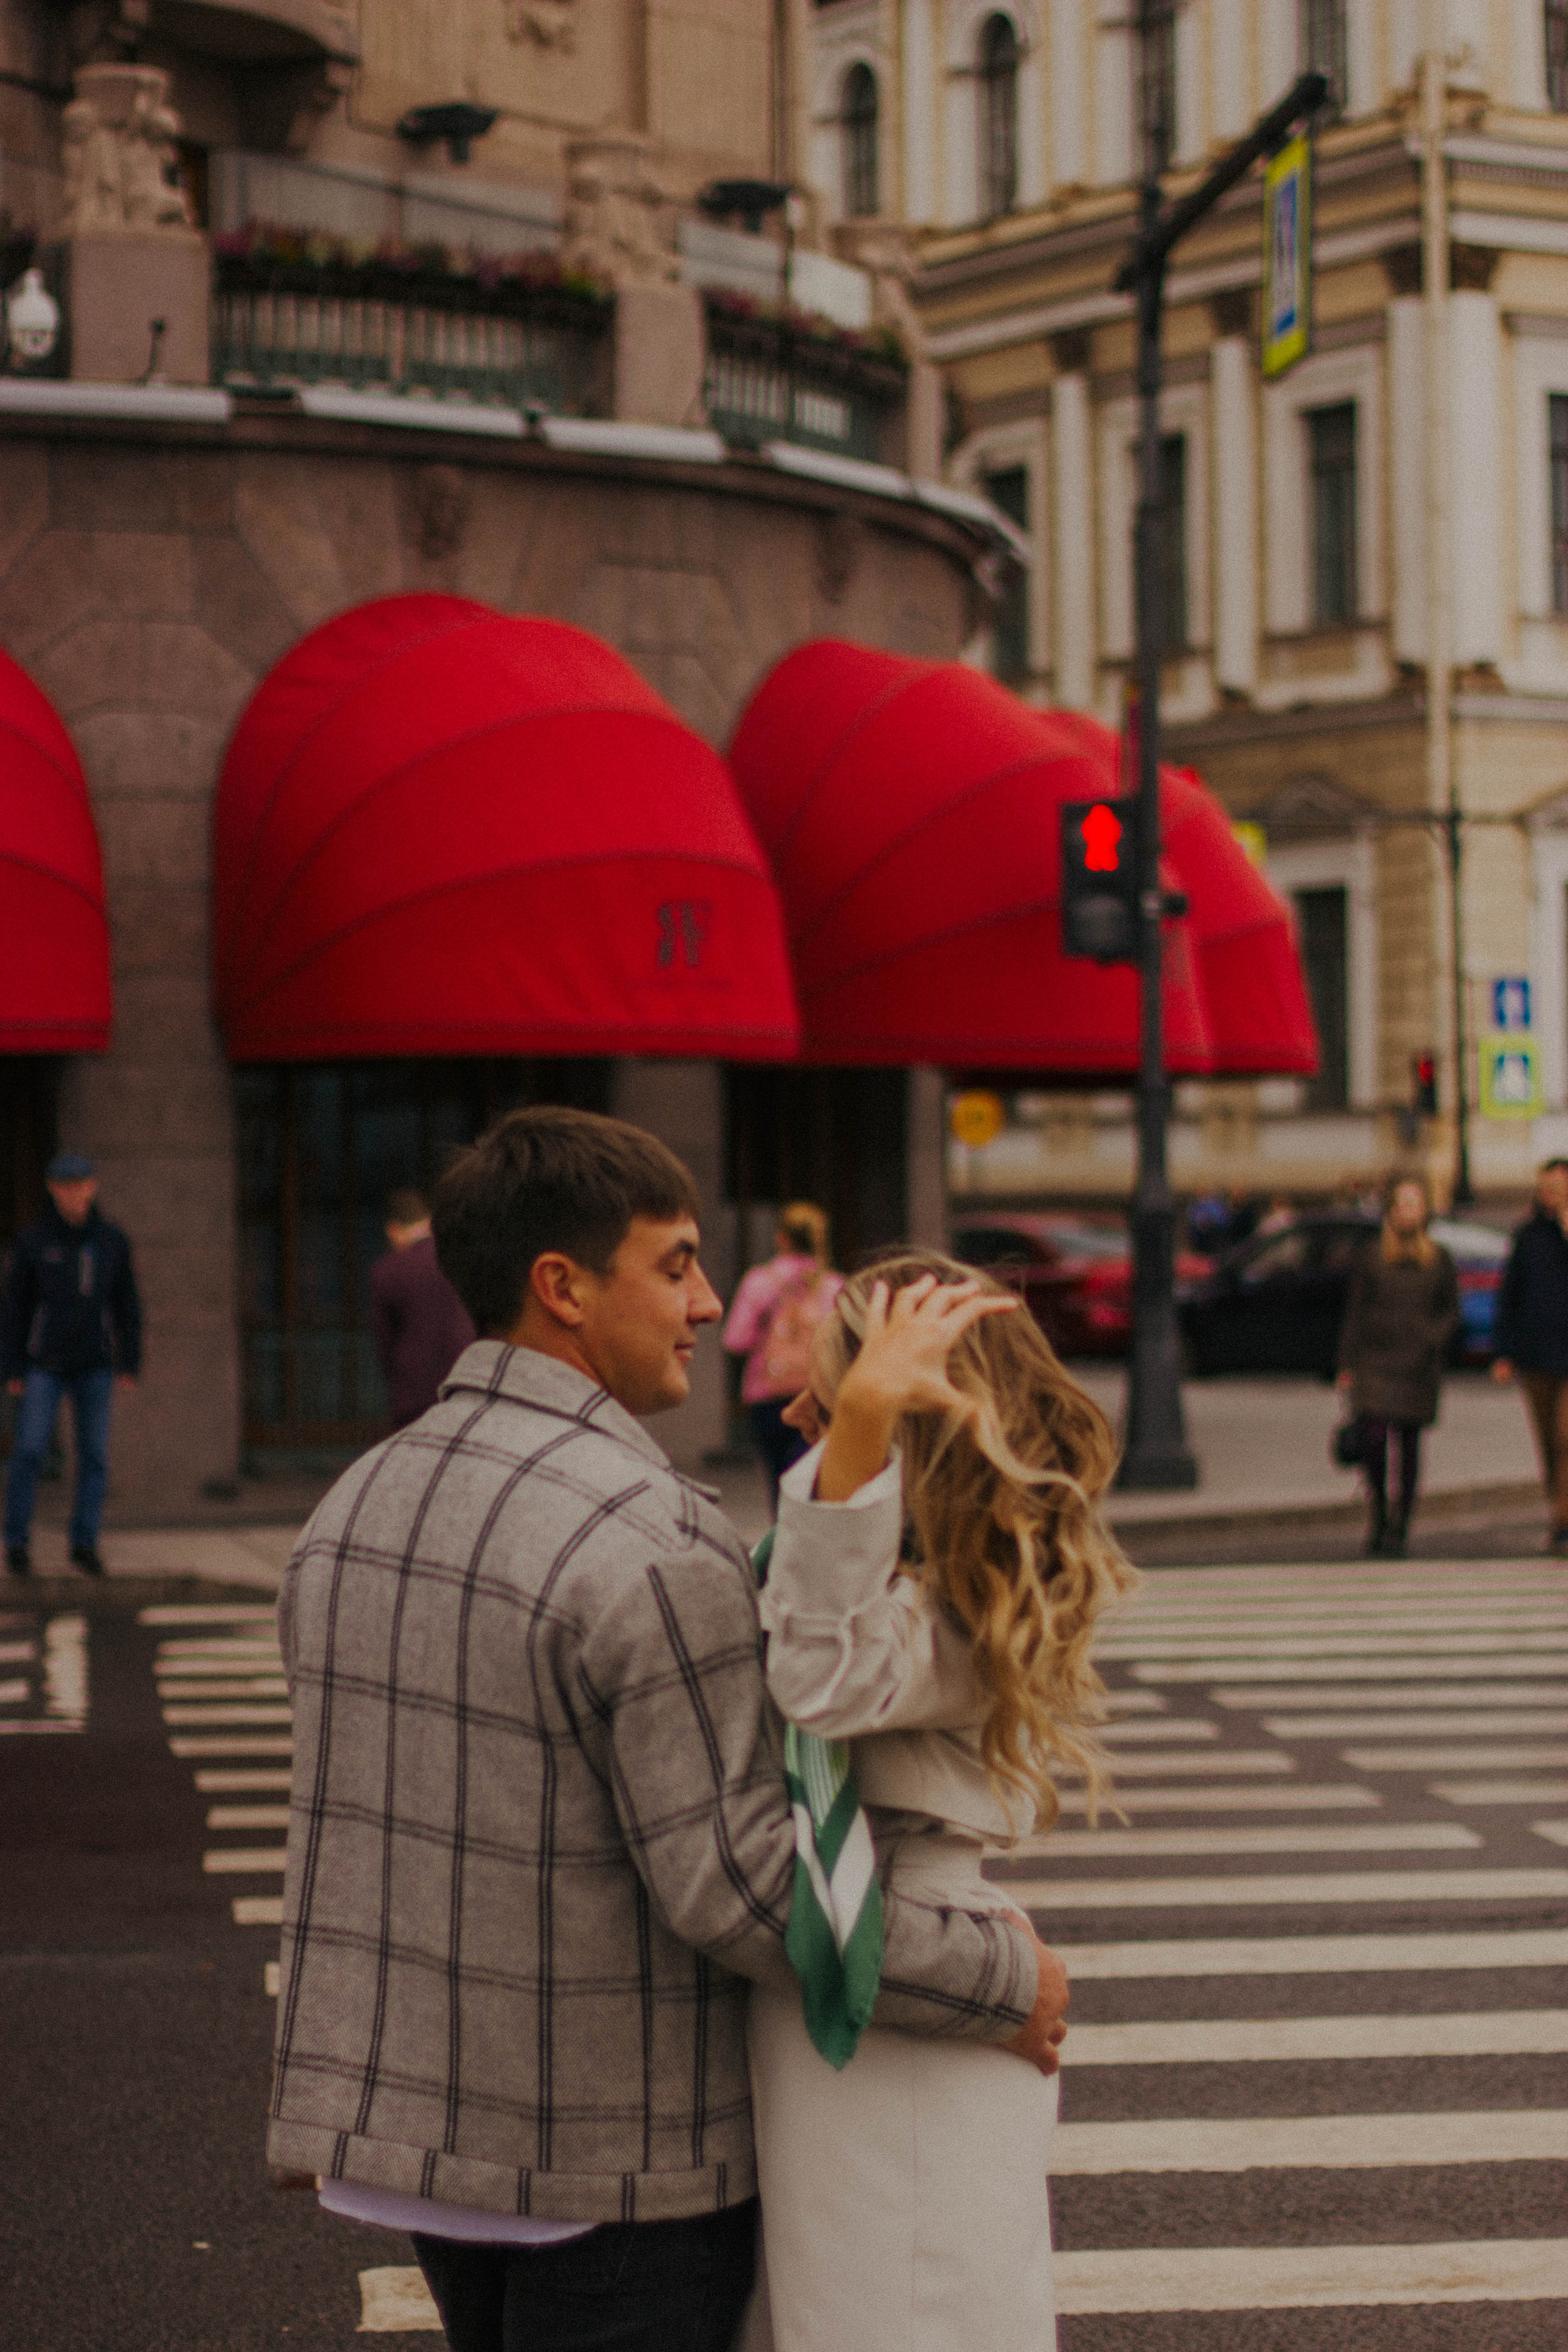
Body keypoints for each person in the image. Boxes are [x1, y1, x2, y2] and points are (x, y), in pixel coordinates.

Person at [266, 1107, 1069, 2352]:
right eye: (675, 1263)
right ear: (563, 1288)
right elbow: (741, 1885)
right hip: (617, 2162)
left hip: (420, 2143)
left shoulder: (353, 1503)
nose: (707, 1303)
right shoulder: (648, 1535)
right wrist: (1002, 1978)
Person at [743, 1251, 1134, 2352]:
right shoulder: (899, 1573)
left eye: (835, 1391)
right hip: (875, 1984)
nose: (799, 1413)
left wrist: (856, 1427)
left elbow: (818, 1677)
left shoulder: (962, 1604)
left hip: (906, 1997)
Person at [2, 1152, 141, 1578]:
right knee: (29, 1451)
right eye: (66, 1185)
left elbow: (126, 1303)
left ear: (93, 1187)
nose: (75, 1193)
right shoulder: (35, 1242)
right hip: (45, 1364)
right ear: (53, 1189)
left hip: (95, 1364)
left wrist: (128, 1360)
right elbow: (16, 1308)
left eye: (81, 1184)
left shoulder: (110, 1241)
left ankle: (84, 1544)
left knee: (94, 1457)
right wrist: (13, 1367)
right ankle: (17, 1541)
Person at [1336, 1178, 1459, 1559]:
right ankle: (1378, 1515)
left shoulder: (1438, 1258)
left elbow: (1451, 1311)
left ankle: (1399, 1527)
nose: (1408, 1210)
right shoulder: (1373, 1256)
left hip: (1416, 1366)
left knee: (1408, 1447)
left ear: (1424, 1212)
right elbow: (1356, 1312)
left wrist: (1431, 1340)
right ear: (1392, 1211)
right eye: (1402, 1203)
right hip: (1375, 1362)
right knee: (1373, 1438)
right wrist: (1347, 1363)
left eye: (1415, 1203)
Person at [722, 1204, 843, 1504]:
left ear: (782, 1239)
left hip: (767, 1396)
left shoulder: (761, 1281)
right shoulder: (834, 1285)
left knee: (780, 1483)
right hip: (820, 1396)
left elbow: (736, 1340)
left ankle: (783, 1542)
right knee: (816, 1480)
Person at [1492, 1155, 1568, 1551]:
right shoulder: (1528, 1235)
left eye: (1558, 1187)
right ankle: (1558, 1509)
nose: (1552, 1195)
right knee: (1547, 1441)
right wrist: (1503, 1352)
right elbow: (1510, 1295)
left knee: (1566, 1436)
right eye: (1546, 1187)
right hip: (1538, 1355)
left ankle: (1563, 1520)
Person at [368, 1185, 476, 1428]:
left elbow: (385, 1342)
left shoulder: (388, 1271)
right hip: (466, 1384)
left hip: (414, 1395)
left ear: (394, 1231)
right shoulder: (462, 1259)